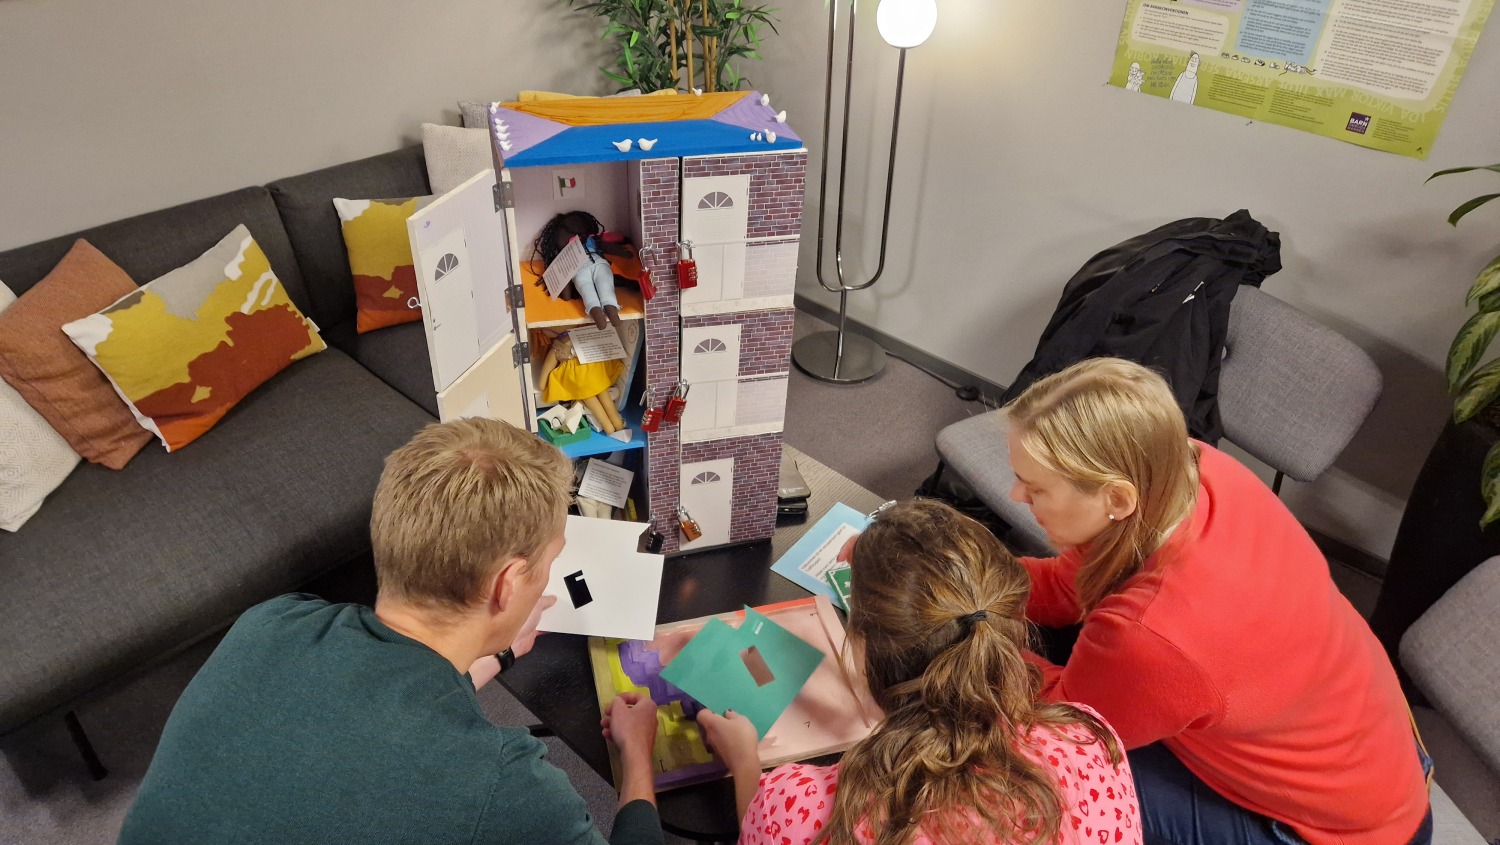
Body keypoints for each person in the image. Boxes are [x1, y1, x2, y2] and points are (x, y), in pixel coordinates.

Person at [118, 418, 664, 845]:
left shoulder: (270, 623)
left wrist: (496, 656)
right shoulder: (502, 785)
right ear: (508, 583)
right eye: (549, 562)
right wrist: (636, 755)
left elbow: (370, 711)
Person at [1004, 358, 1431, 845]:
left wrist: (951, 635)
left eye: (1036, 489)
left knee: (1024, 762)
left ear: (1117, 499)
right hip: (1371, 750)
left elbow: (1061, 725)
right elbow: (1068, 586)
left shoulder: (1152, 632)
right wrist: (973, 579)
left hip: (1341, 831)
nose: (1016, 495)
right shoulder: (1190, 466)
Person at [697, 499, 1141, 845]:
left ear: (864, 645)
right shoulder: (1091, 738)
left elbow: (765, 828)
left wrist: (745, 762)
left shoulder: (809, 809)